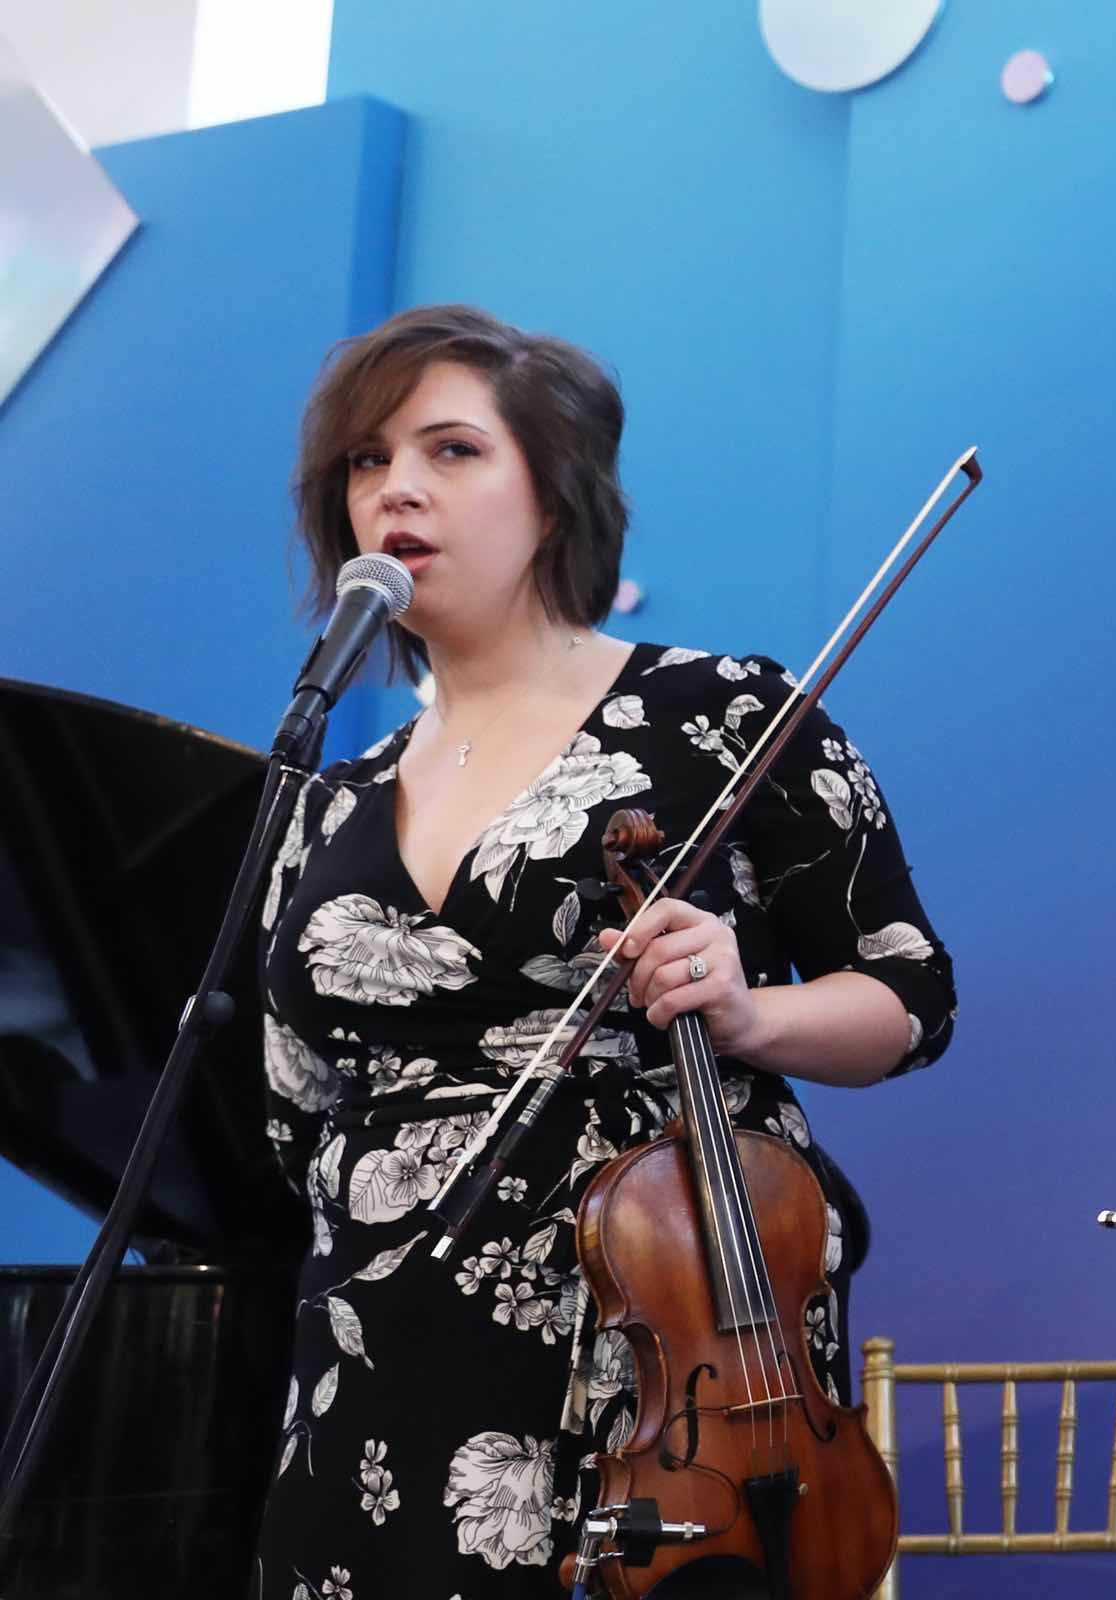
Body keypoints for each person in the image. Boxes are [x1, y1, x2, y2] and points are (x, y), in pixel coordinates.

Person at [251, 305, 956, 1596]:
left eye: (451, 451)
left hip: (647, 1368)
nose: (397, 487)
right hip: (369, 1364)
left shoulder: (724, 716)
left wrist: (748, 1015)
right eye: (366, 461)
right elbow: (293, 1113)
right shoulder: (327, 800)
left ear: (554, 496)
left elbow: (911, 997)